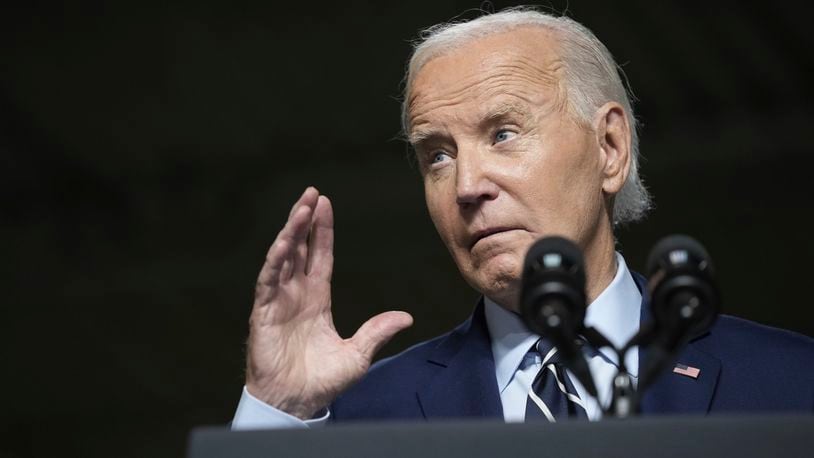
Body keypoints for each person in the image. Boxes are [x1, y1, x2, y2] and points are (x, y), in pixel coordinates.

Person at [231, 8, 814, 429]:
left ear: (609, 148)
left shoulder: (792, 383)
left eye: (503, 134)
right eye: (437, 154)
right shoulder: (358, 417)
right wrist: (278, 409)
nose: (466, 186)